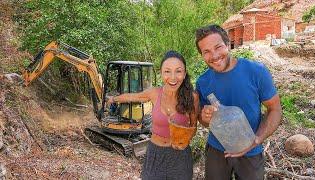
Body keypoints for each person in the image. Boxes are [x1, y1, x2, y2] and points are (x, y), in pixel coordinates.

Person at [195, 24, 282, 180]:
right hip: (217, 151)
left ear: (228, 44)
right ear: (201, 55)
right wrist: (205, 118)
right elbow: (205, 121)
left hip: (251, 150)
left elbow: (275, 109)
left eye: (218, 47)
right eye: (206, 51)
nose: (214, 56)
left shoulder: (256, 71)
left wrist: (256, 140)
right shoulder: (203, 81)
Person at [107, 50, 199, 180]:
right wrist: (113, 99)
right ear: (161, 73)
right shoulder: (154, 93)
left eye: (178, 71)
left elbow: (194, 127)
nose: (173, 77)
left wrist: (185, 140)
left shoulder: (192, 97)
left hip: (180, 157)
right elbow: (133, 97)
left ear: (184, 74)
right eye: (167, 71)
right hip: (155, 153)